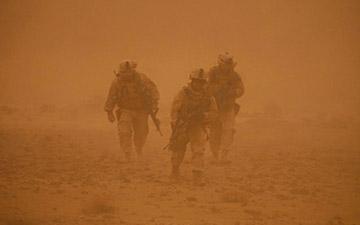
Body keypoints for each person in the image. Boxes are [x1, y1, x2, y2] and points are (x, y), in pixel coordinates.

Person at [166, 68, 217, 185]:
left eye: (201, 82)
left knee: (198, 150)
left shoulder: (208, 96)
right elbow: (174, 110)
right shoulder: (183, 93)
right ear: (192, 81)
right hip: (183, 124)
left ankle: (197, 175)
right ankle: (175, 170)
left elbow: (214, 113)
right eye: (196, 81)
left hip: (198, 126)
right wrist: (176, 124)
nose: (198, 84)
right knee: (178, 149)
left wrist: (204, 116)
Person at [104, 60, 159, 162]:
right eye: (122, 73)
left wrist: (155, 104)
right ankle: (127, 154)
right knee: (124, 132)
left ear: (132, 71)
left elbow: (153, 90)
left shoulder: (142, 79)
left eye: (126, 73)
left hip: (142, 110)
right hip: (126, 110)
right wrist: (109, 111)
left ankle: (139, 149)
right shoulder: (117, 82)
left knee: (141, 133)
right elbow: (111, 96)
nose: (124, 75)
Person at [208, 53, 244, 164]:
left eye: (230, 64)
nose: (228, 66)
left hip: (228, 107)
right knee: (214, 131)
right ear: (220, 63)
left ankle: (224, 156)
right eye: (227, 64)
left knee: (228, 131)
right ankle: (215, 156)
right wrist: (219, 89)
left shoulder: (235, 75)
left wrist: (234, 91)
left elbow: (241, 89)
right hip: (214, 107)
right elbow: (206, 87)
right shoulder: (212, 72)